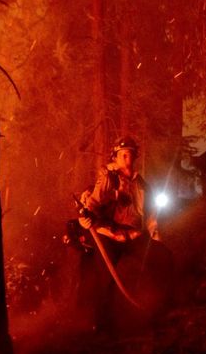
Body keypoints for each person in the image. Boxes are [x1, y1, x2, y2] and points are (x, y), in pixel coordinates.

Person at [73, 136, 171, 330]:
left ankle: (162, 308)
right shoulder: (108, 178)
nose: (128, 159)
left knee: (162, 257)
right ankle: (102, 325)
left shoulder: (141, 184)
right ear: (116, 158)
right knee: (105, 278)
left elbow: (150, 214)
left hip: (134, 235)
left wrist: (155, 235)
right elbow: (92, 204)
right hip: (110, 235)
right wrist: (85, 221)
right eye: (123, 155)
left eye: (131, 155)